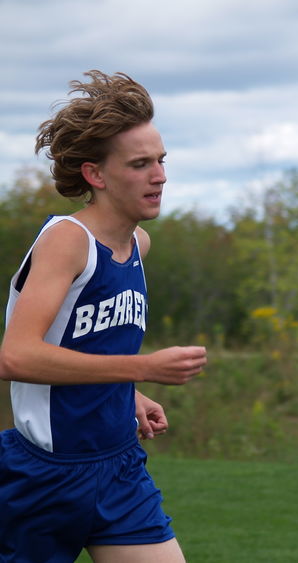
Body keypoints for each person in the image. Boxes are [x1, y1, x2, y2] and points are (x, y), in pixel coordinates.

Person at [0, 71, 208, 562]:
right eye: (140, 164)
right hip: (44, 475)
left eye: (161, 161)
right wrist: (142, 368)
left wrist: (127, 392)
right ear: (95, 175)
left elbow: (85, 344)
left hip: (118, 468)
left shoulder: (138, 243)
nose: (159, 175)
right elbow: (16, 355)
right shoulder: (68, 241)